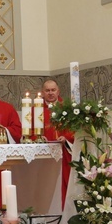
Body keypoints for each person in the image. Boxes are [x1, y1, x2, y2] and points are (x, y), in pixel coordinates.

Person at [41, 78, 75, 208]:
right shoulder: (35, 110)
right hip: (44, 156)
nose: (50, 93)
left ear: (58, 91)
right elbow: (30, 130)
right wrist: (39, 138)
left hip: (64, 153)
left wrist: (66, 137)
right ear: (42, 92)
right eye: (47, 90)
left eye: (53, 90)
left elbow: (75, 129)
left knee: (63, 183)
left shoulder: (68, 108)